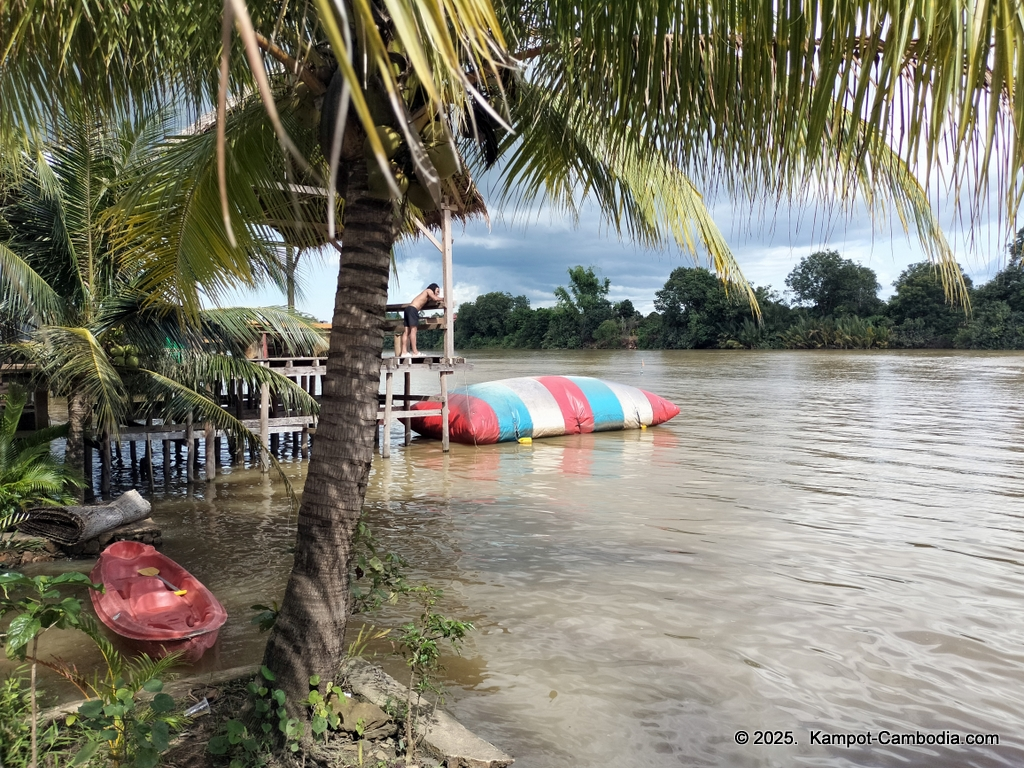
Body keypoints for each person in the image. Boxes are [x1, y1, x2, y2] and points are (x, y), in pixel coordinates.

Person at [400, 283, 444, 357]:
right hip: (413, 310)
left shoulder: (426, 295)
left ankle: (404, 352)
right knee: (413, 331)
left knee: (407, 332)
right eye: (437, 291)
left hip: (408, 309)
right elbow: (435, 298)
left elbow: (434, 300)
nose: (438, 293)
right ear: (433, 288)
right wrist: (444, 299)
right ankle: (415, 352)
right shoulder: (429, 290)